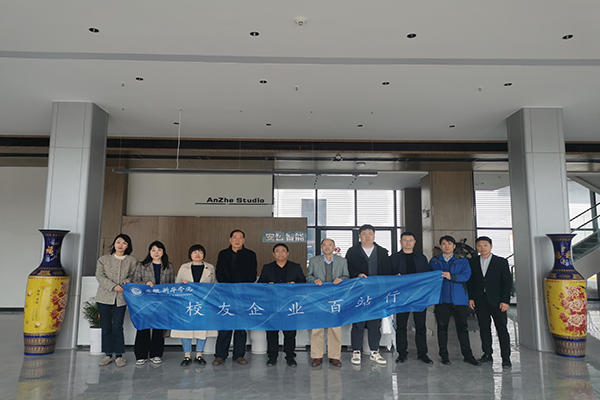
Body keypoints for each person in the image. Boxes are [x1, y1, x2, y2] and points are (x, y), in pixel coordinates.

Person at [345, 224, 392, 366]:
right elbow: (347, 270)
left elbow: (387, 272)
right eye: (364, 233)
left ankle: (374, 351)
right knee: (358, 323)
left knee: (374, 323)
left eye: (370, 233)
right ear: (359, 236)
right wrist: (357, 275)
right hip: (358, 293)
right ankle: (356, 351)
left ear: (374, 235)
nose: (367, 236)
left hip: (377, 293)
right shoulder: (352, 252)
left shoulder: (382, 252)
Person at [429, 235, 479, 366]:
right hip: (442, 300)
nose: (447, 246)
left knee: (462, 328)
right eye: (444, 244)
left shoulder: (462, 261)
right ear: (440, 246)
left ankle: (468, 355)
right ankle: (444, 355)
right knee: (442, 328)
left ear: (454, 246)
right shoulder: (434, 261)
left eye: (449, 244)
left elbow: (466, 276)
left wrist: (451, 276)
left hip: (459, 300)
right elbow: (428, 277)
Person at [467, 236, 513, 369]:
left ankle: (506, 358)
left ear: (491, 246)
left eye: (485, 245)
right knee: (484, 328)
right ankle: (487, 354)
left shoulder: (501, 262)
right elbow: (470, 282)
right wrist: (471, 298)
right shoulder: (472, 262)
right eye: (479, 245)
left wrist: (505, 301)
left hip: (497, 302)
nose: (482, 248)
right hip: (480, 301)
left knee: (502, 329)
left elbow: (507, 283)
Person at [213, 229, 257, 366]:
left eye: (240, 237)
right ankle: (220, 355)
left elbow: (252, 275)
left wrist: (240, 288)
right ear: (230, 239)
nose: (237, 240)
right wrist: (230, 288)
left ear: (244, 240)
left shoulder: (250, 255)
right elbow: (219, 273)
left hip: (243, 295)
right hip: (226, 294)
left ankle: (239, 355)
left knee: (240, 326)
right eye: (235, 237)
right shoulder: (223, 254)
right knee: (225, 325)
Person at [258, 243, 306, 367]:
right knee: (272, 333)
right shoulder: (267, 267)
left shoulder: (295, 267)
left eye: (283, 251)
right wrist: (267, 285)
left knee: (290, 333)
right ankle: (272, 357)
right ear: (274, 254)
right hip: (272, 305)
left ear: (287, 253)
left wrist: (295, 284)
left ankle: (290, 356)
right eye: (277, 251)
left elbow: (303, 283)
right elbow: (260, 285)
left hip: (289, 305)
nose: (280, 253)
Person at [389, 231, 433, 364]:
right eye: (405, 240)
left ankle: (422, 353)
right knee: (401, 325)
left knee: (420, 325)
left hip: (419, 296)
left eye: (410, 240)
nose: (408, 243)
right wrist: (394, 277)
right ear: (400, 242)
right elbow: (387, 275)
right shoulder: (394, 258)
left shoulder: (421, 258)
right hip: (401, 296)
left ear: (414, 242)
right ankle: (402, 353)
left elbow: (427, 275)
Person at [95, 233, 139, 367]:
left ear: (128, 246)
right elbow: (99, 276)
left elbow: (134, 275)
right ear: (114, 244)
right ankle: (108, 354)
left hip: (121, 297)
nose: (120, 245)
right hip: (104, 296)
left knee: (118, 326)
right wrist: (113, 286)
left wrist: (127, 281)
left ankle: (119, 356)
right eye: (118, 242)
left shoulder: (132, 260)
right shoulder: (104, 259)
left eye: (124, 243)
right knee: (106, 326)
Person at [171, 244, 218, 367]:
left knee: (202, 329)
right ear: (190, 255)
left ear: (204, 254)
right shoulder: (184, 267)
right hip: (187, 303)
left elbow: (214, 285)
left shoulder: (210, 268)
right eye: (194, 252)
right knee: (186, 329)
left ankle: (199, 354)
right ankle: (187, 355)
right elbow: (177, 285)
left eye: (200, 252)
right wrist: (182, 284)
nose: (197, 255)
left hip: (204, 303)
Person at [306, 238, 350, 368]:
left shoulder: (342, 261)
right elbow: (308, 276)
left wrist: (341, 279)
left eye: (330, 245)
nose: (327, 247)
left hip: (335, 299)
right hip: (319, 299)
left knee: (335, 328)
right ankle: (317, 356)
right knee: (317, 328)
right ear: (321, 247)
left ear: (334, 247)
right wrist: (314, 280)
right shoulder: (314, 261)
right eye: (324, 245)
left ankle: (334, 356)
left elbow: (347, 277)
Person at [132, 240, 175, 366]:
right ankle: (141, 355)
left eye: (159, 250)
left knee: (158, 328)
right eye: (153, 250)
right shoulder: (142, 265)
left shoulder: (169, 266)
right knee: (143, 327)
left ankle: (156, 354)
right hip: (145, 302)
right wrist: (145, 284)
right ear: (149, 252)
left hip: (162, 302)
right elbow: (135, 281)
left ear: (163, 252)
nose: (156, 253)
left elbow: (171, 284)